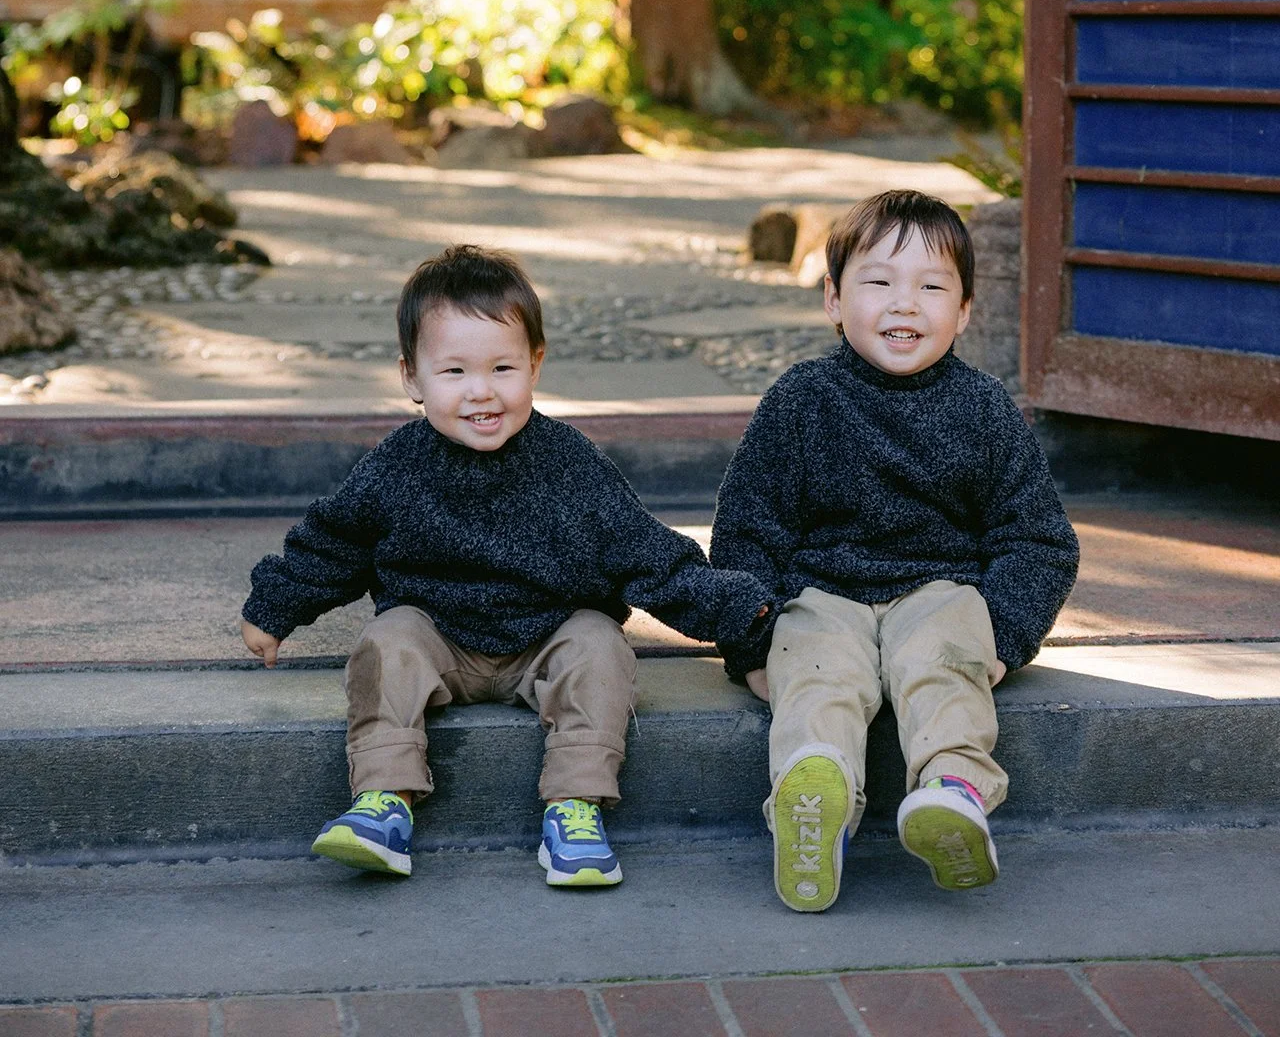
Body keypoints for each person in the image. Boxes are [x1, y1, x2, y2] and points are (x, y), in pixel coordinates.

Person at [241, 243, 773, 889]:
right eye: (455, 372)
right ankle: (384, 804)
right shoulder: (398, 465)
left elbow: (647, 554)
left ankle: (575, 809)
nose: (482, 392)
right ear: (411, 377)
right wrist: (275, 607)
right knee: (387, 641)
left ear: (535, 365)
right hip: (439, 632)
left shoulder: (567, 464)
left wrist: (738, 612)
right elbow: (336, 541)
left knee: (601, 646)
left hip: (547, 636)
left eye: (502, 368)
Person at [710, 189, 1078, 912]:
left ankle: (952, 791)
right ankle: (816, 798)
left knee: (943, 666)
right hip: (823, 594)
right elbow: (749, 526)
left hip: (940, 591)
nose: (904, 304)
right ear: (834, 300)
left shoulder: (982, 411)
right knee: (816, 675)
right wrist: (752, 645)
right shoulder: (801, 401)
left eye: (932, 287)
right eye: (879, 282)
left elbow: (1036, 537)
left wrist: (1002, 636)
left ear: (966, 311)